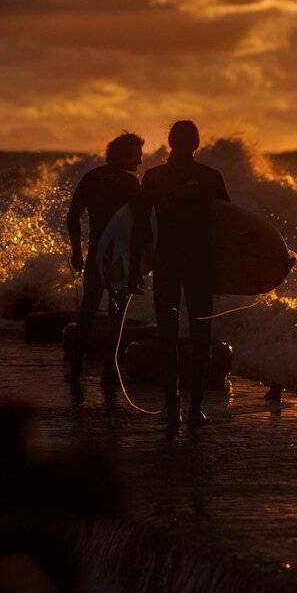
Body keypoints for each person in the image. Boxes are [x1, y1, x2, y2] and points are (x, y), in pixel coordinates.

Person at [130, 120, 229, 427]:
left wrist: (135, 266)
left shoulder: (155, 176)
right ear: (196, 144)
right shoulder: (209, 177)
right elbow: (229, 227)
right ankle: (194, 409)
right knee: (200, 336)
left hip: (168, 264)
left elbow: (140, 225)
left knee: (168, 337)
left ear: (171, 142)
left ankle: (173, 408)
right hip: (198, 265)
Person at [65, 131, 145, 392]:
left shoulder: (92, 177)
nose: (141, 160)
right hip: (120, 260)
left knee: (87, 311)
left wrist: (77, 251)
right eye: (136, 154)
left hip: (96, 255)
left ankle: (76, 365)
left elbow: (73, 215)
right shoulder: (130, 185)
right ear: (122, 155)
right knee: (117, 314)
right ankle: (110, 368)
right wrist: (139, 266)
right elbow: (140, 229)